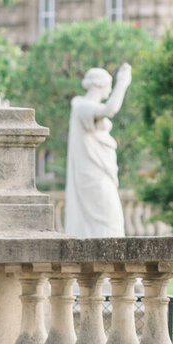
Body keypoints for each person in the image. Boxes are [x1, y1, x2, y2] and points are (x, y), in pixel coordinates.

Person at [64, 63, 133, 237]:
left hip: (100, 171)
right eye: (109, 86)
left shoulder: (87, 108)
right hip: (92, 175)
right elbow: (110, 110)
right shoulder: (81, 105)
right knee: (108, 220)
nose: (110, 91)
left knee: (113, 220)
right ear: (100, 85)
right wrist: (123, 83)